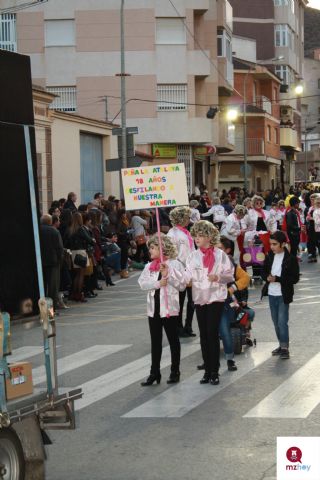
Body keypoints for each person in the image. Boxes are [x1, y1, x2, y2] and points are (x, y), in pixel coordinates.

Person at [166, 221, 234, 385]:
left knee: (211, 333)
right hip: (199, 299)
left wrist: (217, 277)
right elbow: (185, 278)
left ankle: (215, 371)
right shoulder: (192, 256)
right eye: (195, 235)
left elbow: (230, 275)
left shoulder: (220, 255)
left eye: (201, 235)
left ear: (210, 237)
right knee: (203, 335)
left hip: (215, 298)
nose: (197, 238)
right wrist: (169, 272)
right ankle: (207, 371)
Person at [139, 234, 184, 386]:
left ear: (162, 248)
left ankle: (175, 371)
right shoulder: (149, 266)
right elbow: (142, 284)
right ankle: (154, 373)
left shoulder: (174, 264)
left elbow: (182, 285)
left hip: (169, 309)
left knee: (173, 340)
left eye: (152, 248)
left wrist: (169, 276)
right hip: (153, 309)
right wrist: (158, 283)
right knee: (155, 341)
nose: (150, 251)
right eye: (149, 248)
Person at [262, 231, 299, 359]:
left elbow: (294, 279)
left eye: (274, 244)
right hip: (271, 294)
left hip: (283, 295)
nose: (272, 247)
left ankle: (284, 348)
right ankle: (281, 344)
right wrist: (266, 277)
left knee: (282, 322)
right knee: (276, 322)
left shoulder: (291, 259)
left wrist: (277, 279)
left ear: (283, 244)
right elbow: (264, 271)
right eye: (270, 244)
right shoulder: (269, 256)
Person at [168, 206, 195, 337]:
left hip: (190, 270)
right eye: (187, 217)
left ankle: (188, 326)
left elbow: (192, 251)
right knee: (179, 299)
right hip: (179, 270)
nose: (189, 219)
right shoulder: (172, 234)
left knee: (192, 299)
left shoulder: (186, 232)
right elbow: (172, 254)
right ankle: (178, 327)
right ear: (181, 218)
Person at [39, 214, 64, 312]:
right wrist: (60, 260)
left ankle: (42, 307)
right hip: (53, 262)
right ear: (50, 221)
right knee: (53, 286)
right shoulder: (54, 231)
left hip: (41, 261)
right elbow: (59, 248)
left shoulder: (37, 230)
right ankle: (51, 309)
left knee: (43, 286)